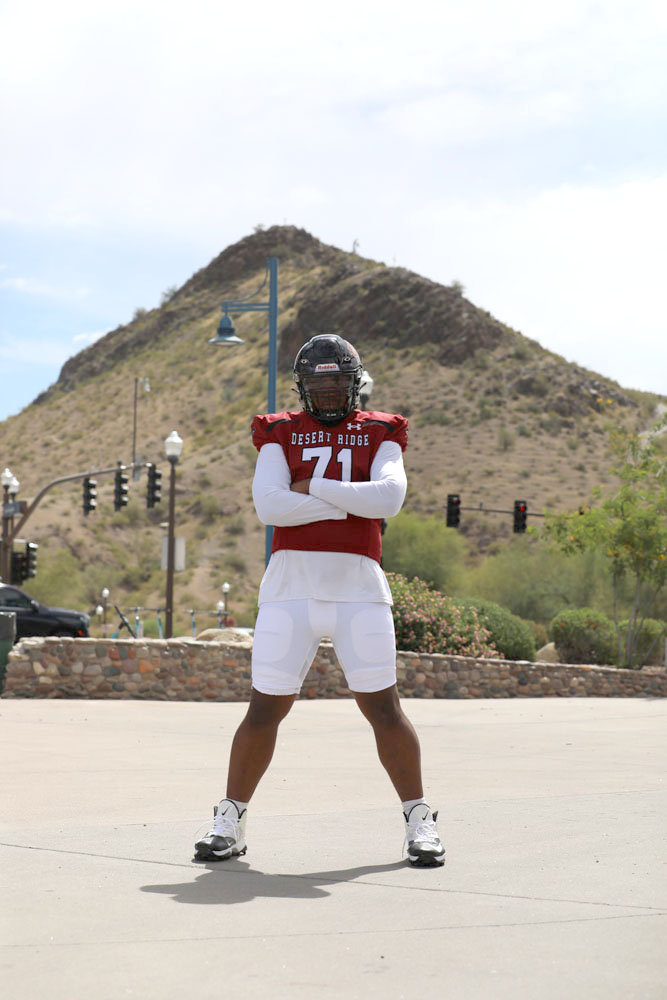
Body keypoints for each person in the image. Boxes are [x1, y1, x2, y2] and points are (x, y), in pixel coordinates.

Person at [194, 334, 444, 868]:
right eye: (318, 383)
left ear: (354, 383)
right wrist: (349, 503)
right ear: (303, 386)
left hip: (358, 587)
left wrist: (311, 488)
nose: (328, 392)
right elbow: (269, 507)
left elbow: (390, 499)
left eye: (337, 382)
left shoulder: (382, 430)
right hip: (291, 588)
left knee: (384, 708)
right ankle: (231, 818)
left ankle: (419, 819)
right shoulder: (279, 431)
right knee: (264, 707)